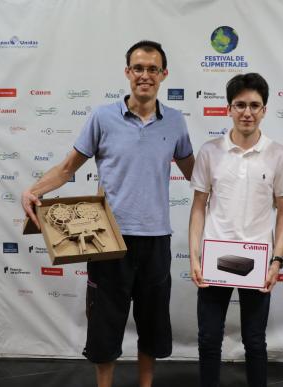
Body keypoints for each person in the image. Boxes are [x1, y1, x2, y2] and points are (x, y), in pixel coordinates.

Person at [21, 40, 194, 387]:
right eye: (139, 68)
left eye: (153, 69)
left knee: (152, 322)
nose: (145, 75)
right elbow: (69, 167)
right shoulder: (102, 117)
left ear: (163, 75)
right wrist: (34, 191)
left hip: (157, 239)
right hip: (106, 239)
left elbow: (196, 176)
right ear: (128, 72)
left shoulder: (175, 122)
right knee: (106, 322)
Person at [188, 73, 283, 387]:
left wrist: (277, 261)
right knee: (208, 340)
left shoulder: (278, 155)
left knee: (255, 341)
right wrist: (195, 256)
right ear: (229, 109)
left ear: (264, 110)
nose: (247, 112)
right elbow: (198, 207)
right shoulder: (210, 151)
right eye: (240, 105)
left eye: (254, 105)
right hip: (214, 260)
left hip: (258, 263)